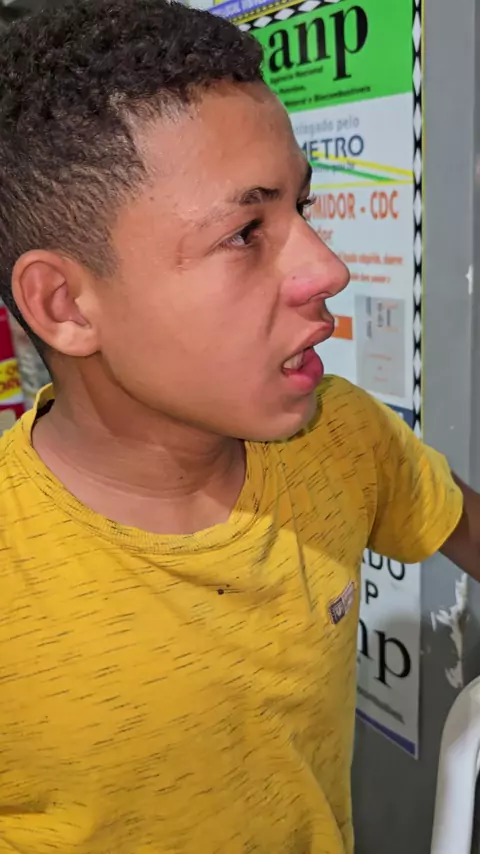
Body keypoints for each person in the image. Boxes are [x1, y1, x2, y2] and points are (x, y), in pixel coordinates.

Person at [0, 1, 477, 852]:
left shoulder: (338, 436)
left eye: (303, 205)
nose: (326, 268)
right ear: (65, 305)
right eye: (246, 232)